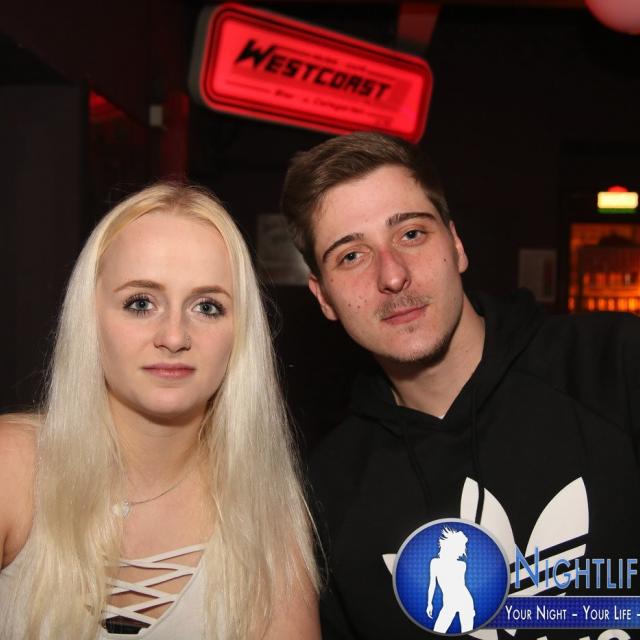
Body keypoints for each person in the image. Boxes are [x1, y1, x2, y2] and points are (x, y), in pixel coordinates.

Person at [280, 131, 640, 639]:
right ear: (323, 298)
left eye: (411, 234)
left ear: (456, 244)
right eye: (351, 256)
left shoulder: (614, 367)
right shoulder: (326, 492)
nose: (392, 276)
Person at [0, 183, 320, 639]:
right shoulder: (12, 467)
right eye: (140, 303)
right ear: (90, 318)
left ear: (240, 334)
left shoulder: (269, 513)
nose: (173, 336)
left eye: (207, 306)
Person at [426, 528, 474, 634]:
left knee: (467, 633)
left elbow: (461, 586)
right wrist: (429, 603)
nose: (462, 550)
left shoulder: (462, 565)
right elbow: (432, 584)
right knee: (438, 631)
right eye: (461, 547)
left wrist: (470, 610)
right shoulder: (435, 563)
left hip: (465, 601)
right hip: (449, 603)